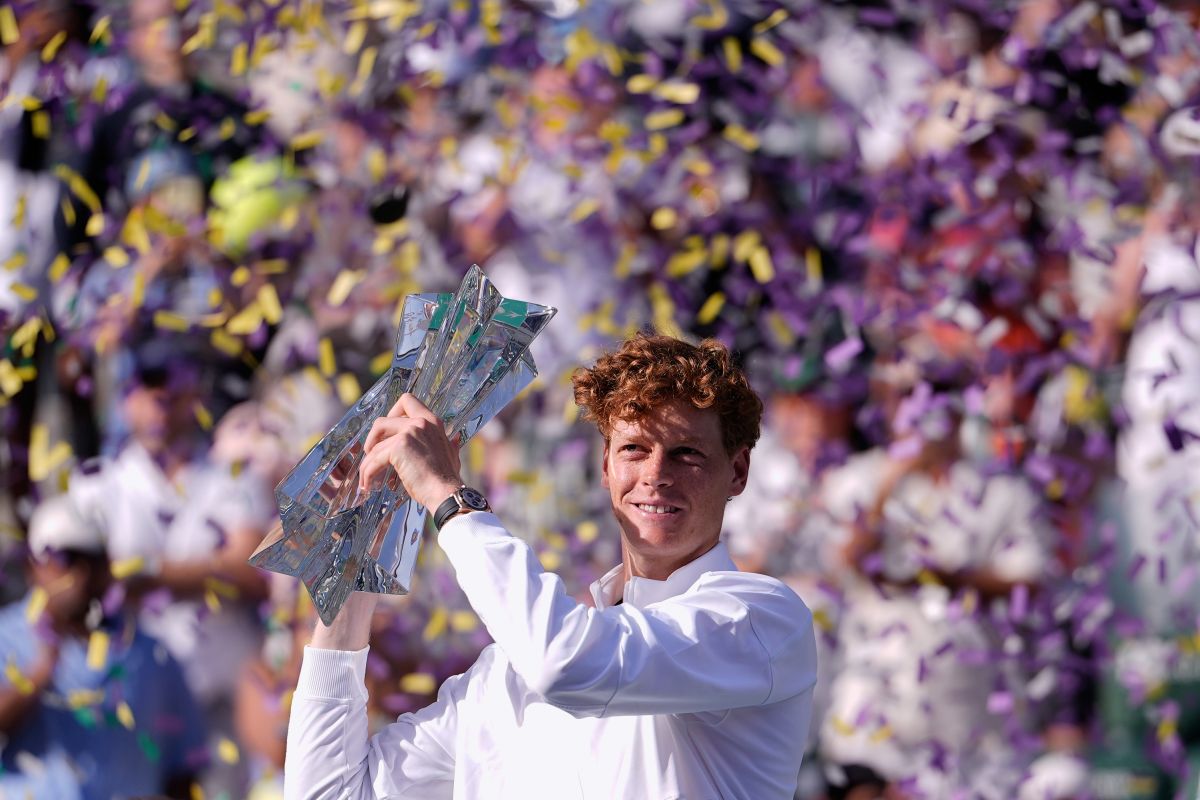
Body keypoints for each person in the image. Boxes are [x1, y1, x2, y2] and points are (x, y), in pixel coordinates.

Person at [284, 333, 818, 798]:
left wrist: (448, 498)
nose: (656, 474)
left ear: (739, 472)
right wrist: (356, 555)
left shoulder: (763, 619)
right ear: (605, 468)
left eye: (687, 454)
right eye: (634, 449)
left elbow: (566, 665)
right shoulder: (507, 671)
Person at [0, 495, 206, 799]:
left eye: (91, 559)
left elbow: (183, 770)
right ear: (34, 565)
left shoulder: (152, 654)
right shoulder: (6, 638)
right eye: (65, 559)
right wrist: (40, 672)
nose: (80, 575)